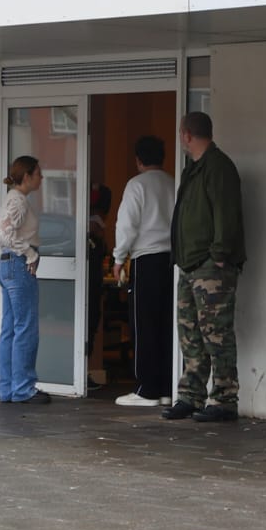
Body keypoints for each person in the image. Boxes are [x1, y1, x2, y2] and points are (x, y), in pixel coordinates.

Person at [163, 112, 245, 423]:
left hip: (210, 267)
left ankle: (224, 399)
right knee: (190, 334)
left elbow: (226, 213)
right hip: (190, 264)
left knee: (216, 333)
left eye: (180, 134)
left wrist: (219, 255)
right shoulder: (194, 168)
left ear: (186, 135)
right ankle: (191, 396)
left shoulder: (218, 167)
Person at [111, 136, 175, 408]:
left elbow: (126, 224)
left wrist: (118, 258)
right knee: (166, 325)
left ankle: (146, 389)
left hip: (145, 259)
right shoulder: (173, 183)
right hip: (172, 261)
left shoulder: (136, 185)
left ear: (138, 160)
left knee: (144, 325)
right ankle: (166, 388)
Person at [0, 155, 50, 404]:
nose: (41, 177)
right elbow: (4, 235)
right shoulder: (18, 201)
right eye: (38, 173)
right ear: (27, 176)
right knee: (25, 328)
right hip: (18, 266)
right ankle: (23, 389)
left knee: (10, 329)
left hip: (7, 265)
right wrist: (30, 254)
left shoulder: (14, 198)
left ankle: (8, 388)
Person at [84, 184, 113, 387]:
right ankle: (81, 371)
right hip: (89, 282)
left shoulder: (94, 228)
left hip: (93, 282)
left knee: (91, 323)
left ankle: (83, 371)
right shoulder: (92, 227)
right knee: (88, 323)